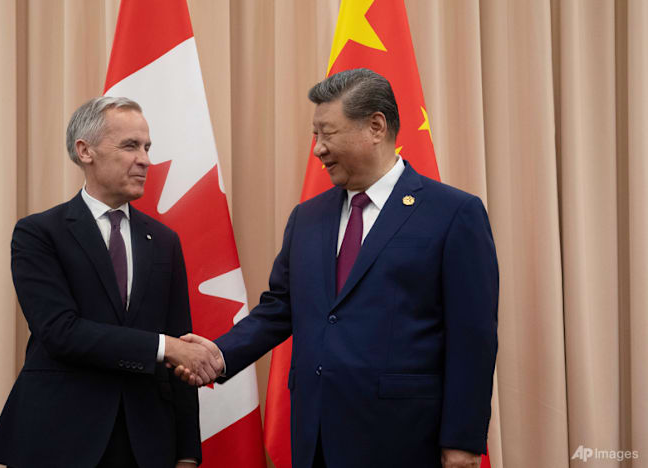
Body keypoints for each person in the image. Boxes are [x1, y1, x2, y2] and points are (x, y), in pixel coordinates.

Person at [176, 69, 499, 468]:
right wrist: (220, 354)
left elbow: (473, 338)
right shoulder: (307, 218)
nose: (317, 149)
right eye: (315, 135)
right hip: (317, 440)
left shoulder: (452, 214)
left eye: (327, 134)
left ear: (376, 127)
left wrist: (462, 442)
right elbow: (280, 308)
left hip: (404, 439)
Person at [0, 97, 221, 468]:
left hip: (146, 442)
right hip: (59, 436)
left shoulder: (164, 241)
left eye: (147, 147)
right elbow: (60, 331)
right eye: (130, 146)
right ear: (85, 151)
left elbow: (181, 347)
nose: (145, 160)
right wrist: (165, 347)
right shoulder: (39, 233)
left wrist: (188, 453)